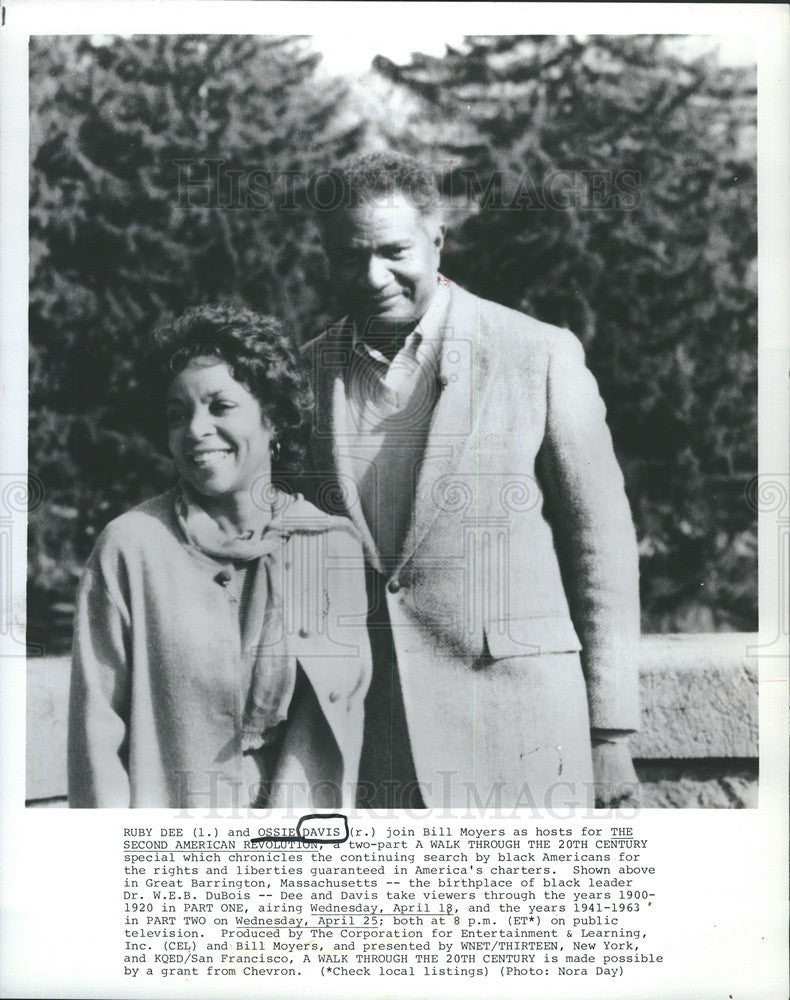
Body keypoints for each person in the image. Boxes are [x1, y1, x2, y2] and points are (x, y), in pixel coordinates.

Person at [303, 152, 641, 810]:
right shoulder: (308, 373)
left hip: (525, 736)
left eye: (392, 249)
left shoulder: (538, 353)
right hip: (375, 748)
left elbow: (601, 543)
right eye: (349, 256)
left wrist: (610, 732)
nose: (372, 276)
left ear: (436, 240)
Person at [68, 305, 372, 809]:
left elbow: (333, 723)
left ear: (273, 416)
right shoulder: (131, 547)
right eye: (176, 413)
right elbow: (97, 736)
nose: (195, 429)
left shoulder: (330, 545)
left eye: (220, 406)